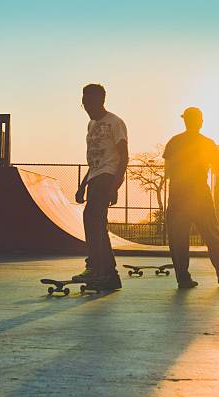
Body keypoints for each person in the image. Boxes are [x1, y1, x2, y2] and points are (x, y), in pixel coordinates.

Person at [163, 107, 219, 288]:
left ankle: (183, 278)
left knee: (178, 237)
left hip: (178, 194)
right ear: (201, 121)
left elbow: (167, 172)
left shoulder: (174, 142)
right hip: (199, 193)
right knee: (212, 234)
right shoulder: (207, 143)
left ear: (184, 120)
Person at [72, 84, 128, 290]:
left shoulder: (115, 123)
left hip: (108, 176)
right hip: (95, 176)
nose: (87, 108)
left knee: (92, 218)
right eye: (84, 103)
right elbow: (94, 161)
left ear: (101, 101)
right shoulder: (91, 125)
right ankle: (109, 275)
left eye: (90, 103)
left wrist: (116, 186)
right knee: (96, 223)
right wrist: (82, 185)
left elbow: (124, 157)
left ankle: (96, 267)